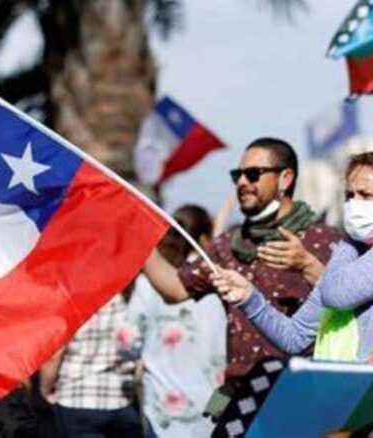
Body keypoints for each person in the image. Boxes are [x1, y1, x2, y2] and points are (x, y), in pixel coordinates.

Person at [143, 138, 340, 411]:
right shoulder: (227, 245)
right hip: (241, 395)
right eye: (238, 175)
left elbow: (352, 307)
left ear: (285, 179)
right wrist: (139, 240)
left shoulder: (323, 240)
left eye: (253, 174)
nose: (242, 183)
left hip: (303, 393)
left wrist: (308, 266)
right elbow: (175, 288)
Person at [210, 152, 373, 365]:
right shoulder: (359, 252)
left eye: (366, 195)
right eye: (349, 195)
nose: (354, 204)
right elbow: (295, 336)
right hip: (366, 391)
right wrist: (249, 298)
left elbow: (337, 292)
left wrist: (348, 241)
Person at [121, 205, 226, 437]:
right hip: (216, 404)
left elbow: (127, 342)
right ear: (205, 238)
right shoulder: (224, 278)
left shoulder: (152, 282)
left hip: (164, 410)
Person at [39, 291, 143, 438]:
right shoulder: (129, 302)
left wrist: (44, 390)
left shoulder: (72, 304)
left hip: (76, 397)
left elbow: (54, 356)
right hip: (121, 397)